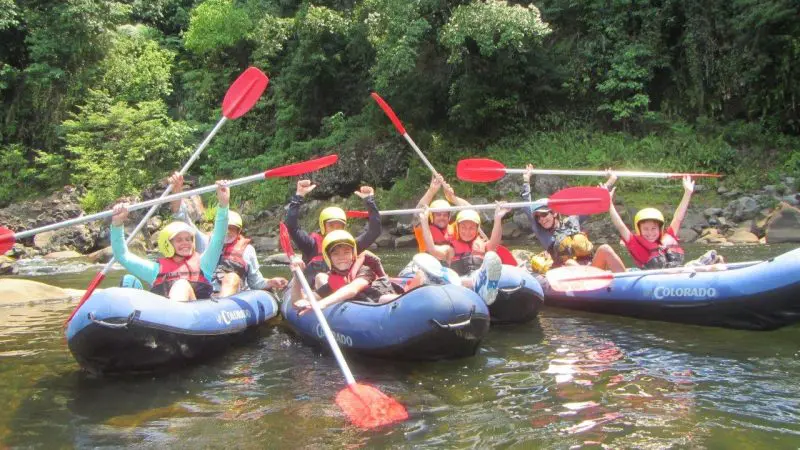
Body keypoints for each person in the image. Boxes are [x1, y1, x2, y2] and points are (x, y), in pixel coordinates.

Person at [167, 173, 287, 296]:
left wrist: (270, 282)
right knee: (181, 283)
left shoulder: (247, 250)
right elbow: (181, 218)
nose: (227, 232)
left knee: (231, 278)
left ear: (238, 232)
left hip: (231, 296)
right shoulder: (204, 242)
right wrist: (177, 190)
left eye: (232, 229)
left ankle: (220, 305)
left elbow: (255, 282)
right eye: (225, 228)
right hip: (204, 293)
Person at [110, 181, 230, 301]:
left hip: (197, 312)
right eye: (179, 240)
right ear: (168, 244)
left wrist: (223, 205)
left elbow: (218, 238)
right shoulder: (155, 270)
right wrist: (117, 224)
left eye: (188, 239)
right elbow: (121, 255)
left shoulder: (204, 264)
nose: (186, 243)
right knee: (128, 281)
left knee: (181, 285)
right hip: (166, 314)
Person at [521, 164, 625, 273]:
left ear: (554, 213)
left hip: (591, 269)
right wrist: (526, 180)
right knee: (570, 262)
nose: (541, 219)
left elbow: (591, 201)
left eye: (544, 215)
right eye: (538, 217)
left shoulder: (572, 220)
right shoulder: (543, 234)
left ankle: (625, 283)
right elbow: (527, 207)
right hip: (569, 275)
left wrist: (611, 180)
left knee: (605, 249)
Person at [608, 174, 723, 269]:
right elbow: (620, 225)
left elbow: (678, 218)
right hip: (658, 280)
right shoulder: (635, 244)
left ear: (659, 229)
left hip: (679, 273)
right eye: (645, 229)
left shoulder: (667, 238)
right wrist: (609, 204)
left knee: (717, 258)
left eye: (653, 229)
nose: (650, 233)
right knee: (714, 267)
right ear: (639, 230)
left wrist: (687, 193)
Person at [285, 179, 381, 281]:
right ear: (323, 227)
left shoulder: (351, 245)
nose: (335, 229)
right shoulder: (311, 244)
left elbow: (374, 231)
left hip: (344, 289)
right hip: (315, 291)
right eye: (331, 226)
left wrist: (369, 200)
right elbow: (292, 226)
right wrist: (299, 196)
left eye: (339, 226)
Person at [417, 204, 507, 304]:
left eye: (471, 228)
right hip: (459, 287)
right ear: (458, 229)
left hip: (479, 279)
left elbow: (495, 241)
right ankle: (478, 286)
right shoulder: (450, 250)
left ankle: (485, 287)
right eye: (463, 227)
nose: (467, 231)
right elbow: (432, 249)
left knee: (491, 257)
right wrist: (424, 221)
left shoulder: (484, 246)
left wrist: (498, 218)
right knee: (452, 278)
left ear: (477, 229)